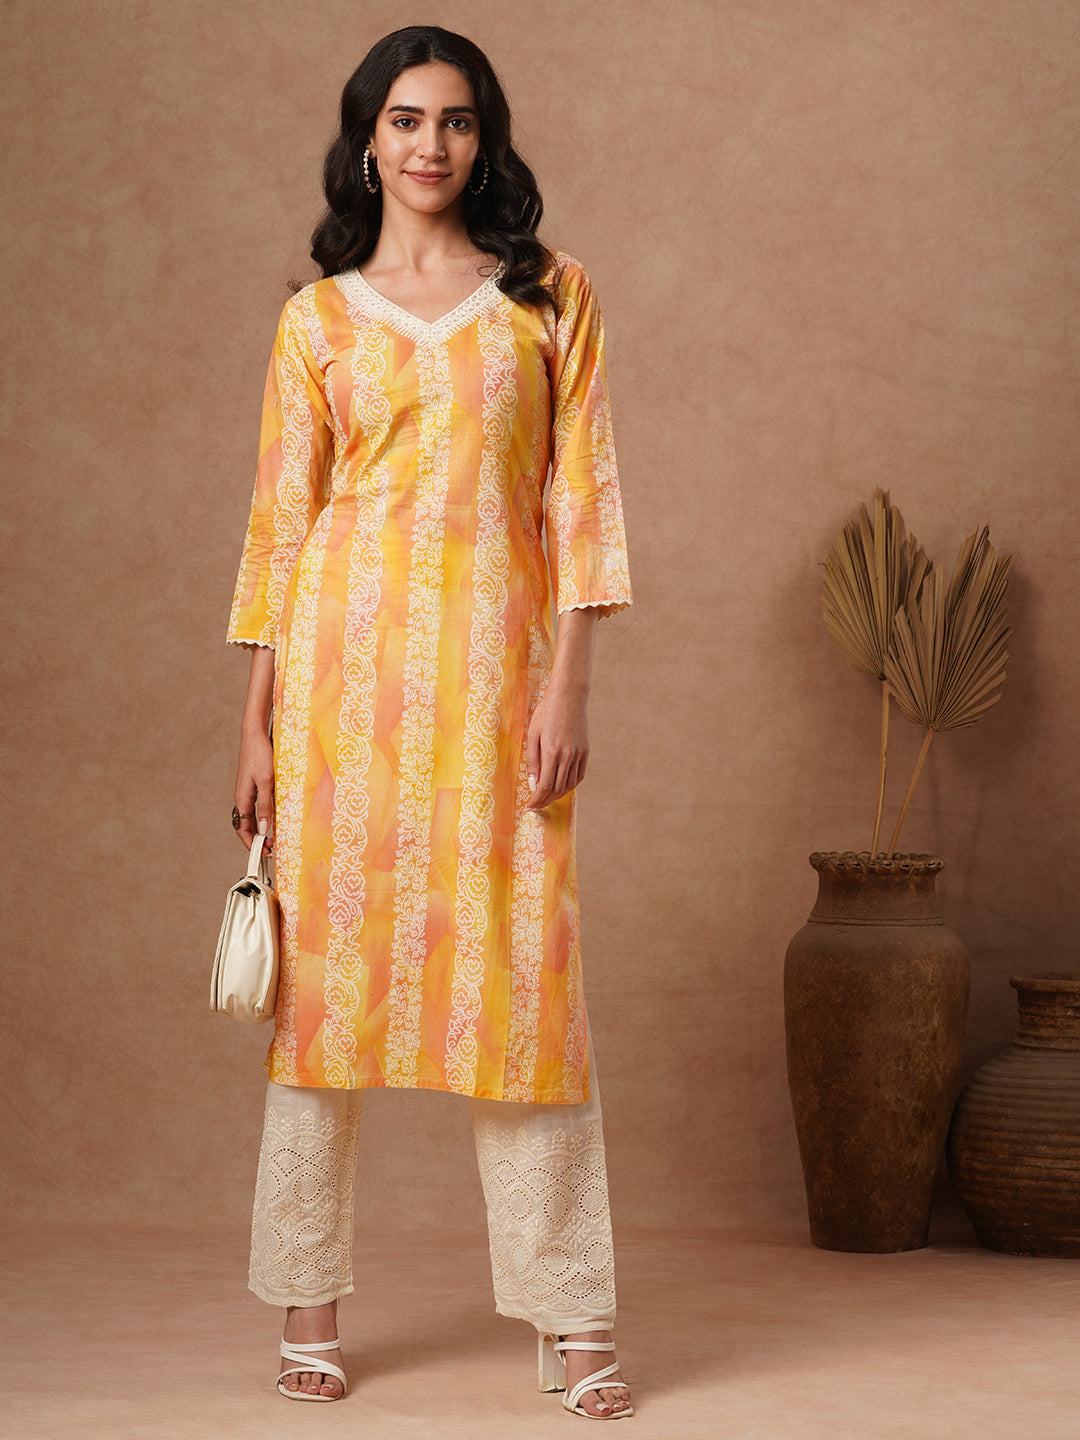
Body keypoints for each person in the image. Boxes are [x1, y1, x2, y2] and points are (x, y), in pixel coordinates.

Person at [228, 24, 633, 1420]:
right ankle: (308, 1304)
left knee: (528, 998)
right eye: (405, 120)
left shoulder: (550, 298)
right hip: (339, 701)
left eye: (456, 121)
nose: (430, 145)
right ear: (366, 140)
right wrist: (256, 725)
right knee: (320, 1001)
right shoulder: (318, 323)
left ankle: (572, 1313)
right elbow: (282, 529)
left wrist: (570, 684)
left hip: (500, 693)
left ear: (486, 138)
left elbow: (581, 503)